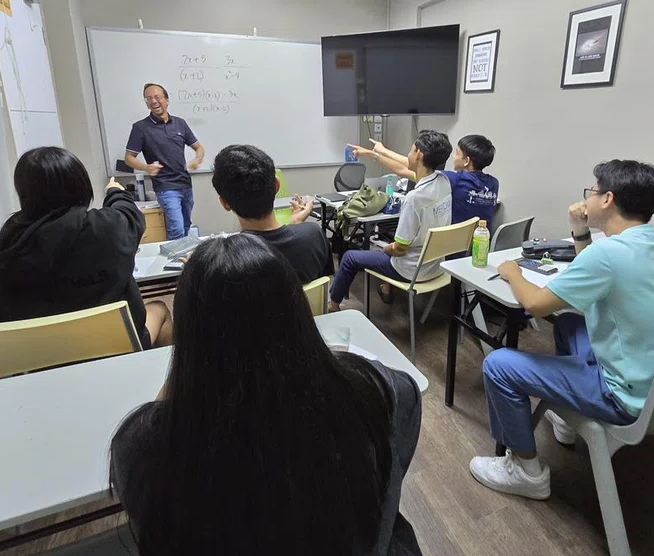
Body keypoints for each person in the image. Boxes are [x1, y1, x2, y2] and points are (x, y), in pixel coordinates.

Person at [109, 234, 424, 555]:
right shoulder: (378, 394)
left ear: (189, 335)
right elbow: (406, 395)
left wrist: (185, 370)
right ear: (297, 313)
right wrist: (318, 358)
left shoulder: (141, 446)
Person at [469, 160, 654, 500]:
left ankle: (526, 471)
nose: (589, 197)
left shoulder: (609, 254)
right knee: (569, 324)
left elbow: (535, 305)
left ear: (608, 199)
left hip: (628, 399)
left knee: (499, 365)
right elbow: (598, 272)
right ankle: (569, 419)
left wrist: (512, 273)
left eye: (593, 190)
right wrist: (580, 231)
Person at [0, 147, 173, 348]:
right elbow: (130, 215)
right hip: (116, 345)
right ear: (80, 185)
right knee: (160, 309)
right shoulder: (103, 227)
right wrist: (115, 191)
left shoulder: (11, 238)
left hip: (42, 356)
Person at [329, 131, 453, 311]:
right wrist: (375, 154)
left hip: (410, 271)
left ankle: (332, 306)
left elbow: (399, 249)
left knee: (349, 257)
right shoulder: (444, 182)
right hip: (435, 267)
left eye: (410, 150)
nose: (407, 155)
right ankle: (385, 290)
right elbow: (402, 169)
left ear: (418, 154)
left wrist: (385, 248)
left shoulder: (414, 199)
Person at [211, 144, 333, 283]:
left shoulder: (218, 262)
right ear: (276, 185)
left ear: (225, 203)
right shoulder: (313, 235)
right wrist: (294, 225)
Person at [349, 134, 499, 226]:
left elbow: (408, 167)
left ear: (466, 161)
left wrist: (378, 152)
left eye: (457, 154)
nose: (453, 157)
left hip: (453, 250)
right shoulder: (493, 184)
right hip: (480, 246)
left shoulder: (454, 179)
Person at [124, 83, 206, 239]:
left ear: (167, 100)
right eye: (148, 99)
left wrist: (197, 159)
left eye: (157, 97)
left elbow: (199, 147)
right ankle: (174, 262)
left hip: (185, 184)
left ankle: (185, 259)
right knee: (177, 229)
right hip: (165, 187)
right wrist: (146, 167)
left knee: (187, 227)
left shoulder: (180, 123)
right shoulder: (140, 128)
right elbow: (128, 158)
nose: (153, 101)